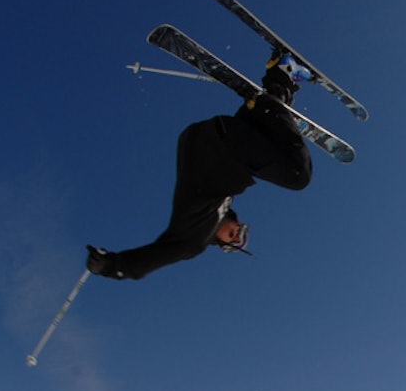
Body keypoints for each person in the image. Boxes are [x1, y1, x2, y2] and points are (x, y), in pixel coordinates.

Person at [86, 54, 314, 280]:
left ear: (219, 242)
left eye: (233, 241)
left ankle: (271, 101)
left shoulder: (195, 239)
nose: (237, 235)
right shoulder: (220, 203)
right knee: (266, 134)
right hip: (219, 136)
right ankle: (278, 80)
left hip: (219, 147)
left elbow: (157, 255)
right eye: (241, 234)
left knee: (298, 176)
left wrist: (112, 266)